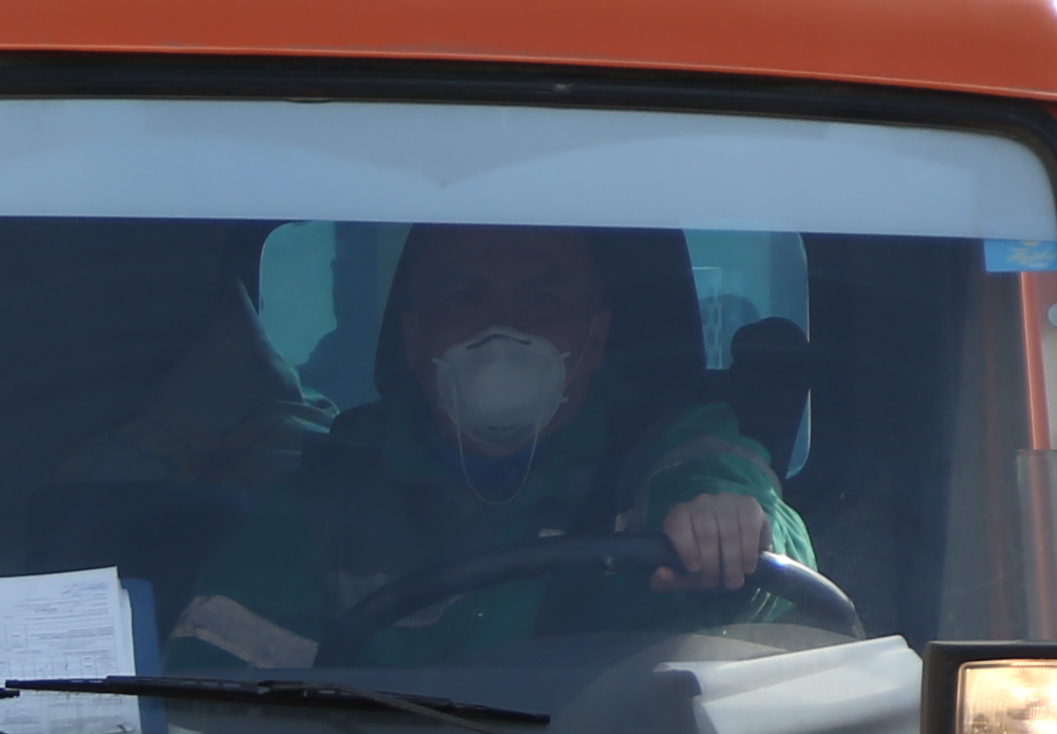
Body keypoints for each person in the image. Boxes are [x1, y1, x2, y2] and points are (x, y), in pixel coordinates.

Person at [163, 224, 809, 680]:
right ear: (415, 337)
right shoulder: (322, 503)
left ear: (598, 334)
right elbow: (215, 713)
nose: (506, 328)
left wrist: (727, 521)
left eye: (544, 298)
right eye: (465, 296)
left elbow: (742, 508)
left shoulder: (674, 452)